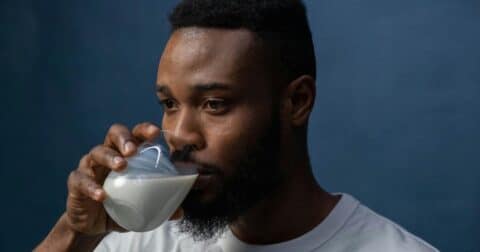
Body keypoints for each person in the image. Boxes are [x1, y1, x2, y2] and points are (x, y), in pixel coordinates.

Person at [35, 0, 439, 251]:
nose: (179, 136)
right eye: (169, 104)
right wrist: (76, 235)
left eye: (214, 104)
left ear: (297, 102)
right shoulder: (139, 241)